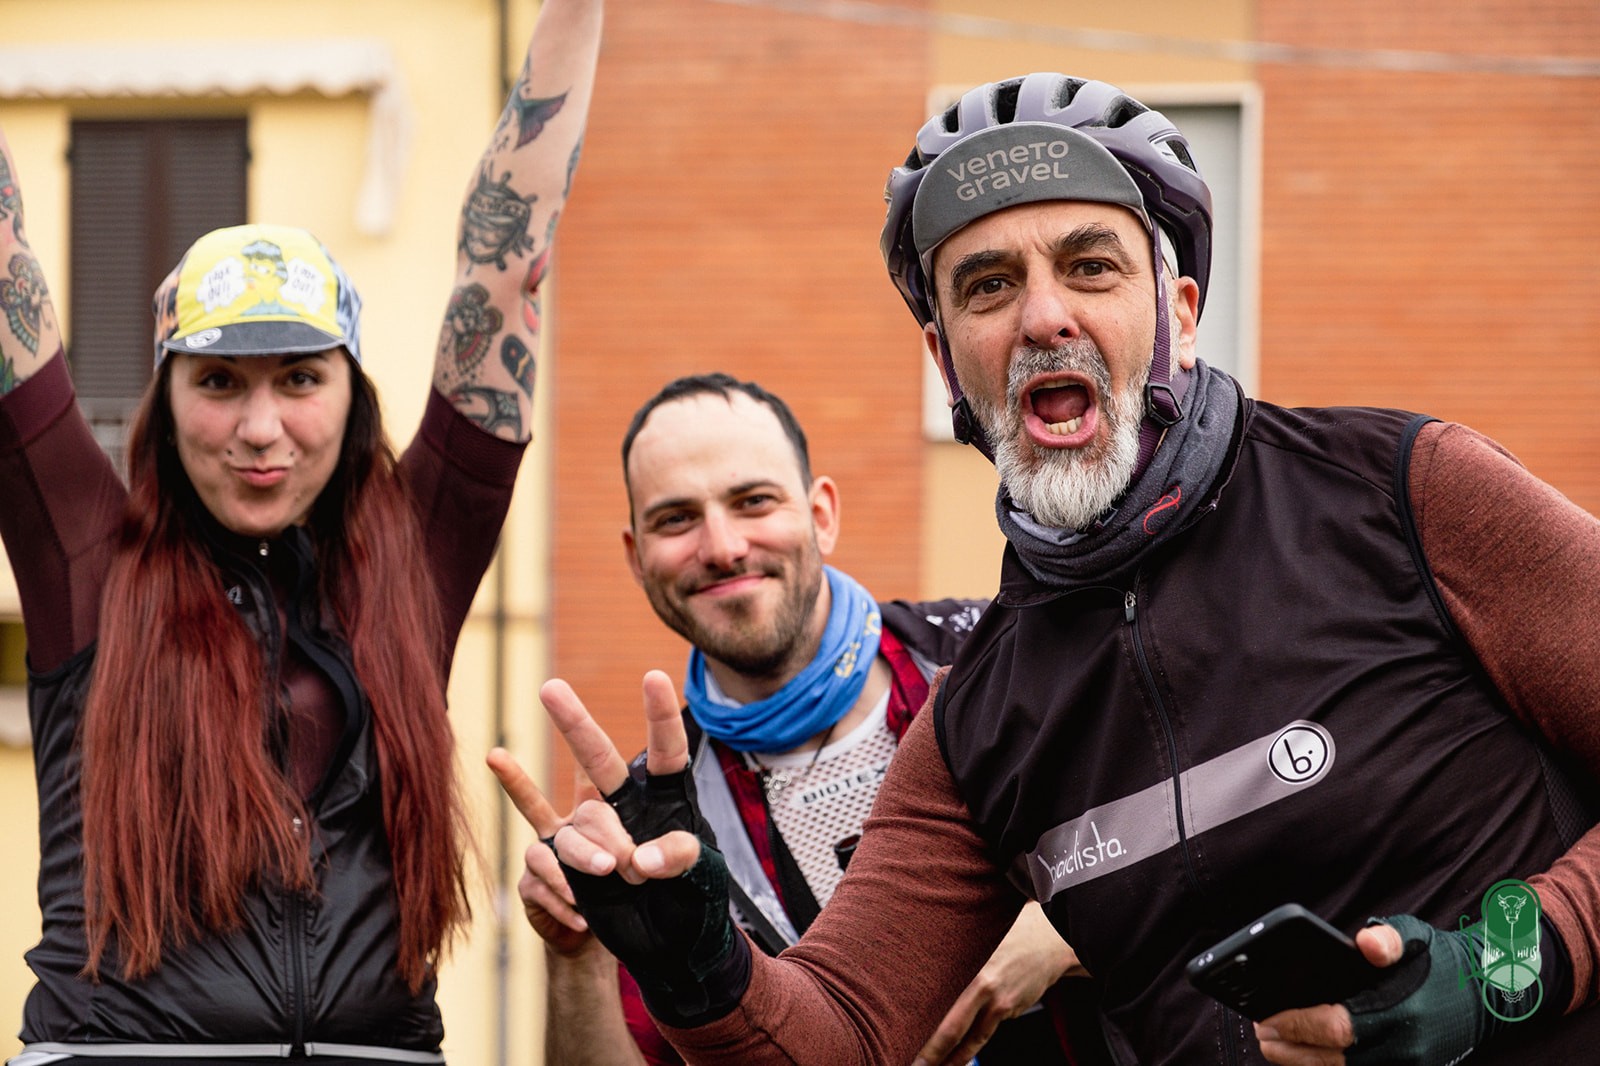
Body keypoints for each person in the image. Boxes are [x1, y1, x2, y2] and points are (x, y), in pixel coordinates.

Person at [497, 71, 1600, 1066]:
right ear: (946, 363)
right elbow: (838, 1032)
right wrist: (700, 967)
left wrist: (1497, 973)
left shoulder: (1400, 492)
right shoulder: (978, 722)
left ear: (1177, 313)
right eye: (986, 286)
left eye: (1090, 267)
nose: (1041, 317)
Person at [0, 2, 600, 1062]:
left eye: (299, 379)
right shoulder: (87, 559)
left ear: (351, 394)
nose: (260, 427)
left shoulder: (412, 561)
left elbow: (506, 265)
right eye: (219, 382)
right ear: (165, 400)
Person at [490, 372, 1091, 1065]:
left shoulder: (999, 661)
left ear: (822, 514)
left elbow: (1187, 856)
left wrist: (1057, 934)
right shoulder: (652, 824)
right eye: (676, 519)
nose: (722, 547)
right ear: (636, 558)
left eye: (753, 501)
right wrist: (578, 958)